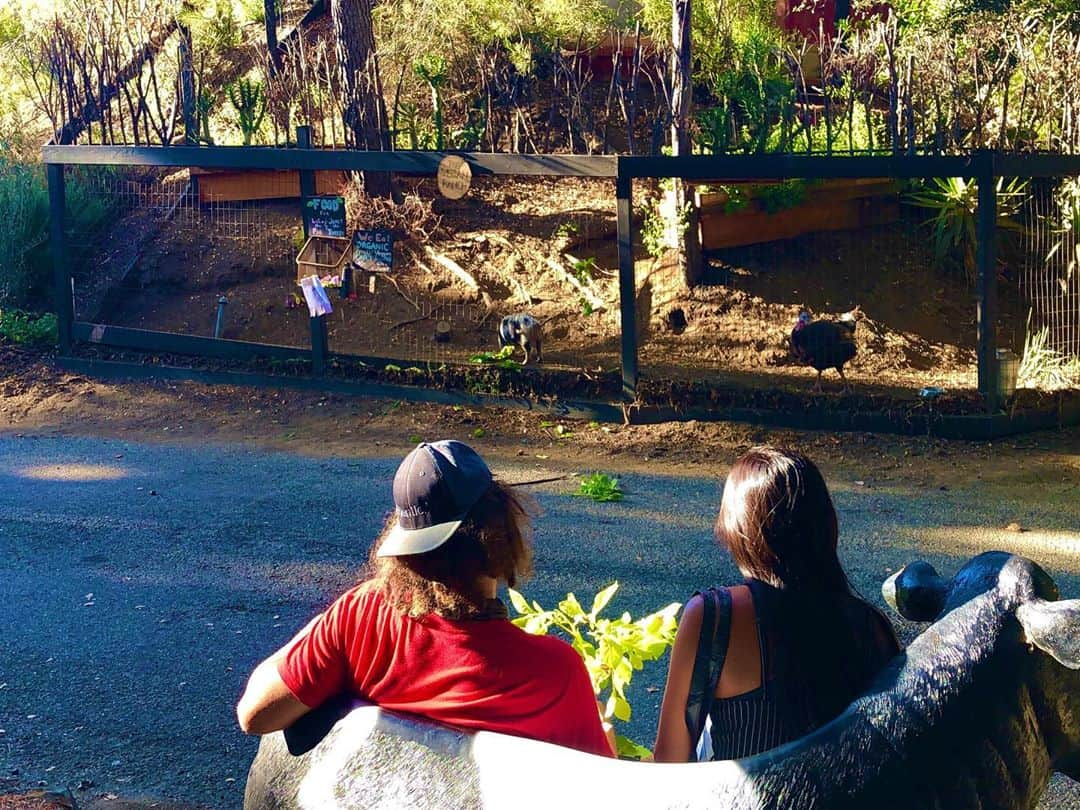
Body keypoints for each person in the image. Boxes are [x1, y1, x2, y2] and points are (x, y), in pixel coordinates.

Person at [236, 439, 614, 757]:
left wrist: (330, 624)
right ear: (503, 535)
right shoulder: (554, 673)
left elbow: (254, 715)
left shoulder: (363, 616)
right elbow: (602, 792)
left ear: (406, 551)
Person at [653, 446, 900, 762]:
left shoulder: (715, 617)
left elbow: (669, 763)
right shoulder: (870, 626)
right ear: (825, 526)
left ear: (739, 528)